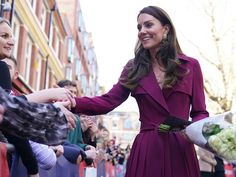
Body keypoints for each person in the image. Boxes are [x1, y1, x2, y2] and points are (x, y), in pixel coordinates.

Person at [71, 5, 209, 177]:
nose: (142, 31)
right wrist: (72, 102)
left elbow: (200, 112)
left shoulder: (190, 66)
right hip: (147, 149)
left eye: (148, 25)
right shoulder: (133, 68)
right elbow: (108, 101)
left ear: (165, 29)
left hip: (180, 148)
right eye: (139, 27)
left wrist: (196, 132)